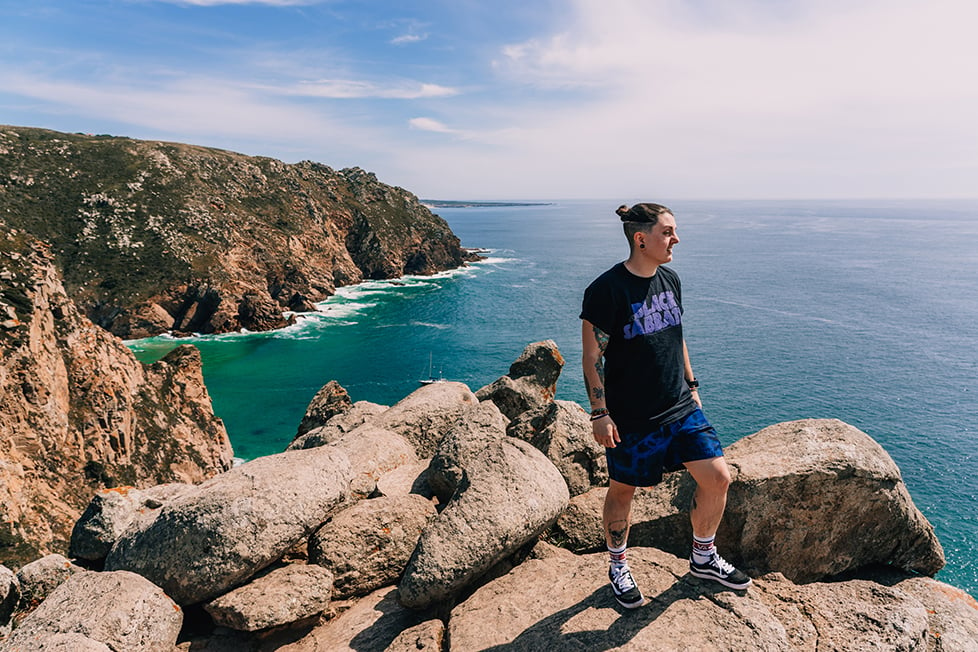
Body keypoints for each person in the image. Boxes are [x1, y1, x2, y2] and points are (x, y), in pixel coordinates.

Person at [580, 202, 751, 609]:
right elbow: (592, 357)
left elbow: (677, 335)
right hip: (633, 418)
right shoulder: (606, 290)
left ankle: (703, 557)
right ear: (642, 239)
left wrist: (692, 384)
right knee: (623, 492)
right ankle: (618, 564)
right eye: (668, 232)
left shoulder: (670, 279)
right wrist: (600, 413)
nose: (676, 239)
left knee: (718, 478)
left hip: (680, 406)